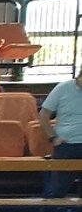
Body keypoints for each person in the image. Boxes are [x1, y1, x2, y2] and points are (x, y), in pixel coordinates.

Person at [39, 70, 82, 200]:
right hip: (66, 146)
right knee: (56, 191)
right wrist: (53, 138)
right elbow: (43, 115)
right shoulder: (62, 88)